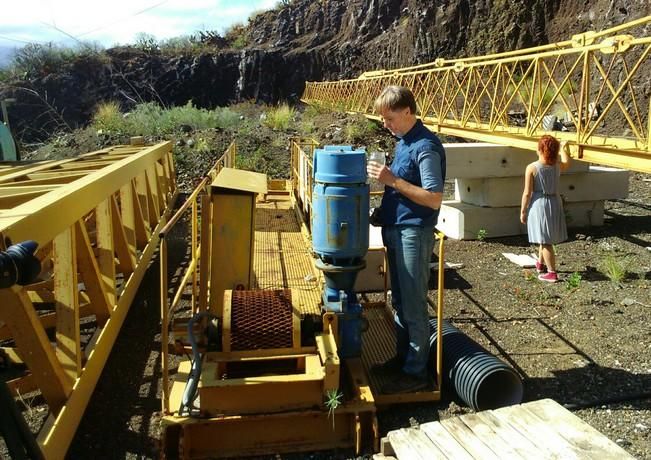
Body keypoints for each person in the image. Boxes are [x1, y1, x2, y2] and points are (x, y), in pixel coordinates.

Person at [366, 85, 446, 394]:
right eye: (383, 119)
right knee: (399, 301)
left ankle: (415, 374)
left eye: (389, 118)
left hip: (413, 233)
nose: (385, 124)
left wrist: (391, 180)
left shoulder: (425, 146)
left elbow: (434, 198)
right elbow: (400, 192)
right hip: (397, 229)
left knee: (413, 305)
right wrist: (383, 212)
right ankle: (403, 362)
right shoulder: (404, 142)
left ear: (408, 112)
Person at [520, 135, 571, 283]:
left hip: (539, 203)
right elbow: (567, 162)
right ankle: (540, 264)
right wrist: (563, 149)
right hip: (555, 201)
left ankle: (552, 272)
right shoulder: (557, 165)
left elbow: (527, 193)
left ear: (540, 149)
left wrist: (523, 211)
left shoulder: (532, 167)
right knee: (545, 235)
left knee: (545, 239)